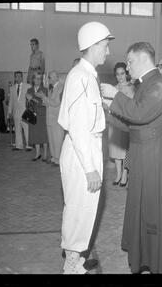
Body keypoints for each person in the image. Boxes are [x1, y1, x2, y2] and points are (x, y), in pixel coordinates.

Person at [101, 42, 162, 274]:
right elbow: (134, 123)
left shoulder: (158, 84)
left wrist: (115, 95)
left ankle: (155, 260)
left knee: (152, 207)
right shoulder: (147, 83)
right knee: (144, 206)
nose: (127, 67)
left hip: (154, 154)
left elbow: (138, 114)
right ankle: (145, 255)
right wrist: (110, 109)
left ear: (144, 59)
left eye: (130, 61)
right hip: (144, 152)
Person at [58, 21, 114, 274]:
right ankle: (70, 265)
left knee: (86, 207)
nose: (108, 52)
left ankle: (76, 256)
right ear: (93, 46)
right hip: (82, 152)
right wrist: (90, 169)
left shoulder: (88, 74)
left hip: (88, 147)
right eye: (105, 46)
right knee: (78, 209)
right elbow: (79, 128)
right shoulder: (80, 76)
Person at [107, 62, 134, 186]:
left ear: (126, 74)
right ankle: (118, 174)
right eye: (118, 74)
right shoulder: (114, 87)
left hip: (124, 122)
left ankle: (124, 175)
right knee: (115, 150)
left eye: (122, 73)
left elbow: (132, 107)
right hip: (113, 121)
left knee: (124, 151)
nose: (120, 76)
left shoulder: (131, 87)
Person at [41, 70, 65, 166]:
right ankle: (54, 158)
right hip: (49, 118)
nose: (49, 79)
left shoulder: (61, 88)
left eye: (50, 77)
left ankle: (59, 160)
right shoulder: (51, 89)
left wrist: (44, 97)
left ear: (56, 78)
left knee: (57, 140)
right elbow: (50, 102)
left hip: (57, 119)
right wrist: (44, 100)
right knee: (51, 140)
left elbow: (56, 103)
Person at [26, 72, 48, 161]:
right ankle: (38, 153)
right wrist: (28, 101)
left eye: (40, 79)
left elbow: (44, 104)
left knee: (43, 135)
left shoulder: (45, 90)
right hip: (32, 114)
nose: (38, 80)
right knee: (35, 135)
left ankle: (45, 153)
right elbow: (27, 104)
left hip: (42, 115)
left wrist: (32, 99)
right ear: (33, 79)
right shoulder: (29, 90)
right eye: (36, 78)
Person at [7, 71, 32, 151]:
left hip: (25, 111)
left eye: (19, 76)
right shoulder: (12, 88)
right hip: (16, 112)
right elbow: (11, 101)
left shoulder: (28, 86)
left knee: (27, 129)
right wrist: (9, 112)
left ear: (22, 77)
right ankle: (19, 145)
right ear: (14, 77)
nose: (17, 78)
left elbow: (31, 99)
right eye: (16, 76)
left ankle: (29, 145)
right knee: (17, 129)